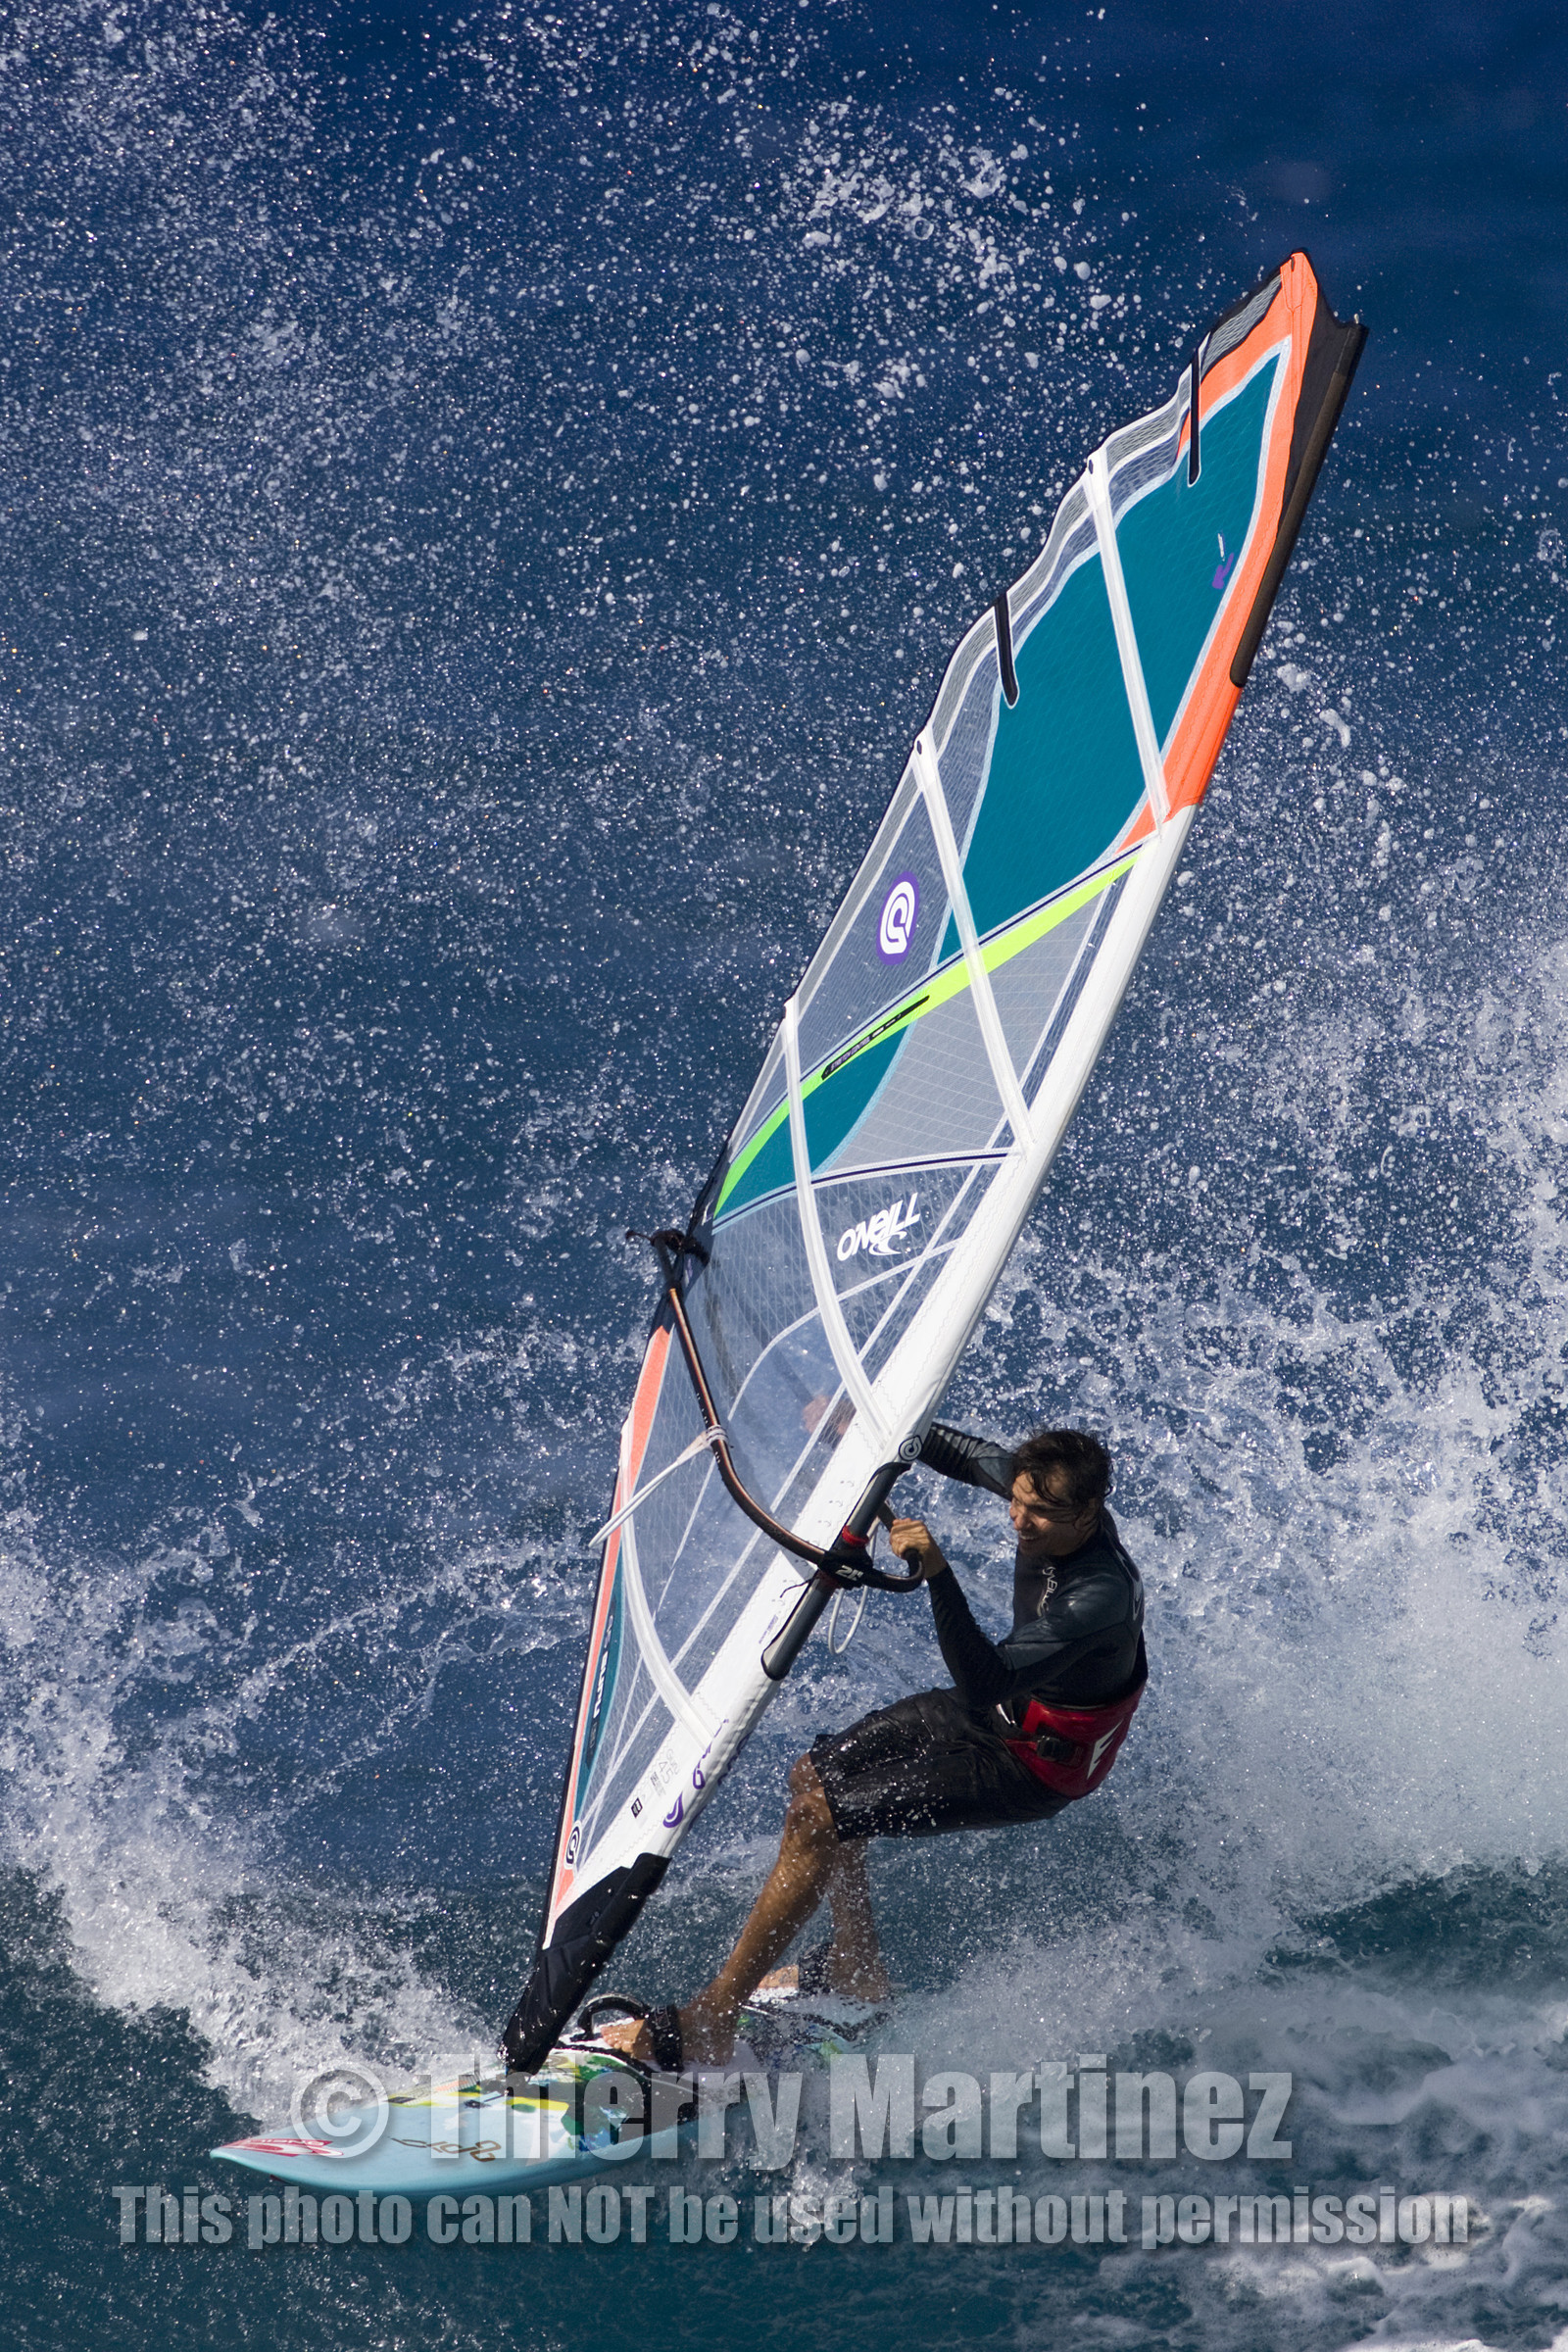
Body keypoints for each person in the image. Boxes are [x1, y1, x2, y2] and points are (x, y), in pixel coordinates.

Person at [600, 1422, 1148, 2070]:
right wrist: (861, 1424)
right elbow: (964, 1453)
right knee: (813, 1774)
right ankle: (858, 1969)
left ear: (1089, 1513)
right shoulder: (1043, 1489)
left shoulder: (1100, 1596)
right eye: (1017, 1500)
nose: (1019, 1520)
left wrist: (938, 1572)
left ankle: (712, 2018)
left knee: (818, 1818)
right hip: (1005, 1710)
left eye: (1040, 1514)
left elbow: (981, 1681)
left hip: (1031, 1764)